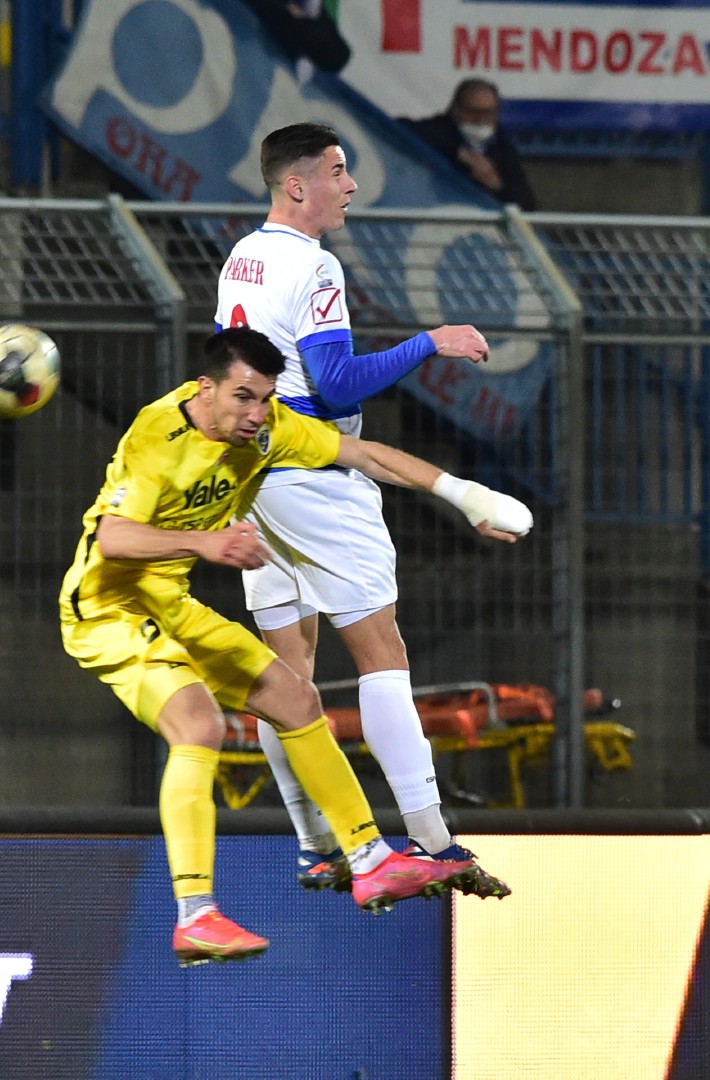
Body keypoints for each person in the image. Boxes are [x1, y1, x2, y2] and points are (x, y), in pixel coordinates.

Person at [59, 327, 530, 968]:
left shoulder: (269, 427)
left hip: (169, 603)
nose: (256, 415)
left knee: (294, 695)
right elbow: (113, 538)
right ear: (206, 389)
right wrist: (208, 544)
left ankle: (369, 861)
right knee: (199, 724)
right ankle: (196, 917)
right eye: (244, 398)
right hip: (108, 609)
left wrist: (464, 496)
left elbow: (365, 456)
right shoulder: (157, 436)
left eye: (265, 399)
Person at [215, 122, 526, 900]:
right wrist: (430, 342)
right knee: (381, 650)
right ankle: (434, 839)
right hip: (312, 469)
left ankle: (317, 844)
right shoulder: (315, 265)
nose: (350, 185)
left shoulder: (241, 257)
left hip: (249, 469)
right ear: (298, 185)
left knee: (288, 670)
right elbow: (338, 382)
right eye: (338, 170)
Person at [399, 78, 537, 210]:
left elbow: (526, 204)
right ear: (455, 109)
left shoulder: (503, 146)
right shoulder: (436, 130)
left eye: (487, 112)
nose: (480, 119)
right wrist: (458, 151)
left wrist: (496, 185)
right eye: (472, 112)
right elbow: (399, 128)